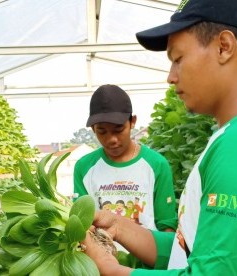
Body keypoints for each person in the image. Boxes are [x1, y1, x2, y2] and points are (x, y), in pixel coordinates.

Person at [81, 0, 237, 275]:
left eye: (178, 59)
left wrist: (113, 271)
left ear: (224, 46)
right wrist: (120, 227)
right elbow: (198, 249)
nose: (170, 77)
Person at [73, 84, 177, 233]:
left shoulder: (156, 164)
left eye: (119, 129)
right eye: (102, 131)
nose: (112, 139)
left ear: (132, 121)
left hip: (146, 255)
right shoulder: (84, 167)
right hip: (100, 254)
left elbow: (167, 225)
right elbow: (82, 222)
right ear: (93, 129)